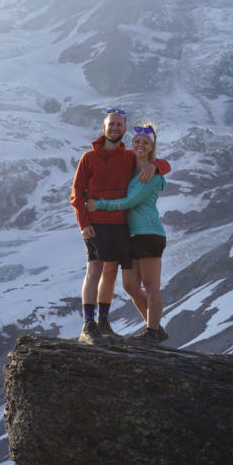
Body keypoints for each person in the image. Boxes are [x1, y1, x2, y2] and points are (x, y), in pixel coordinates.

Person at [70, 109, 170, 344]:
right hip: (99, 226)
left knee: (114, 275)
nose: (115, 128)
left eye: (119, 125)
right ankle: (89, 323)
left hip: (125, 228)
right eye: (111, 124)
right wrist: (84, 224)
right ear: (103, 127)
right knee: (99, 272)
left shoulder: (129, 158)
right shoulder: (89, 158)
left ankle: (118, 324)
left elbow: (159, 163)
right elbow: (76, 195)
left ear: (124, 129)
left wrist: (157, 166)